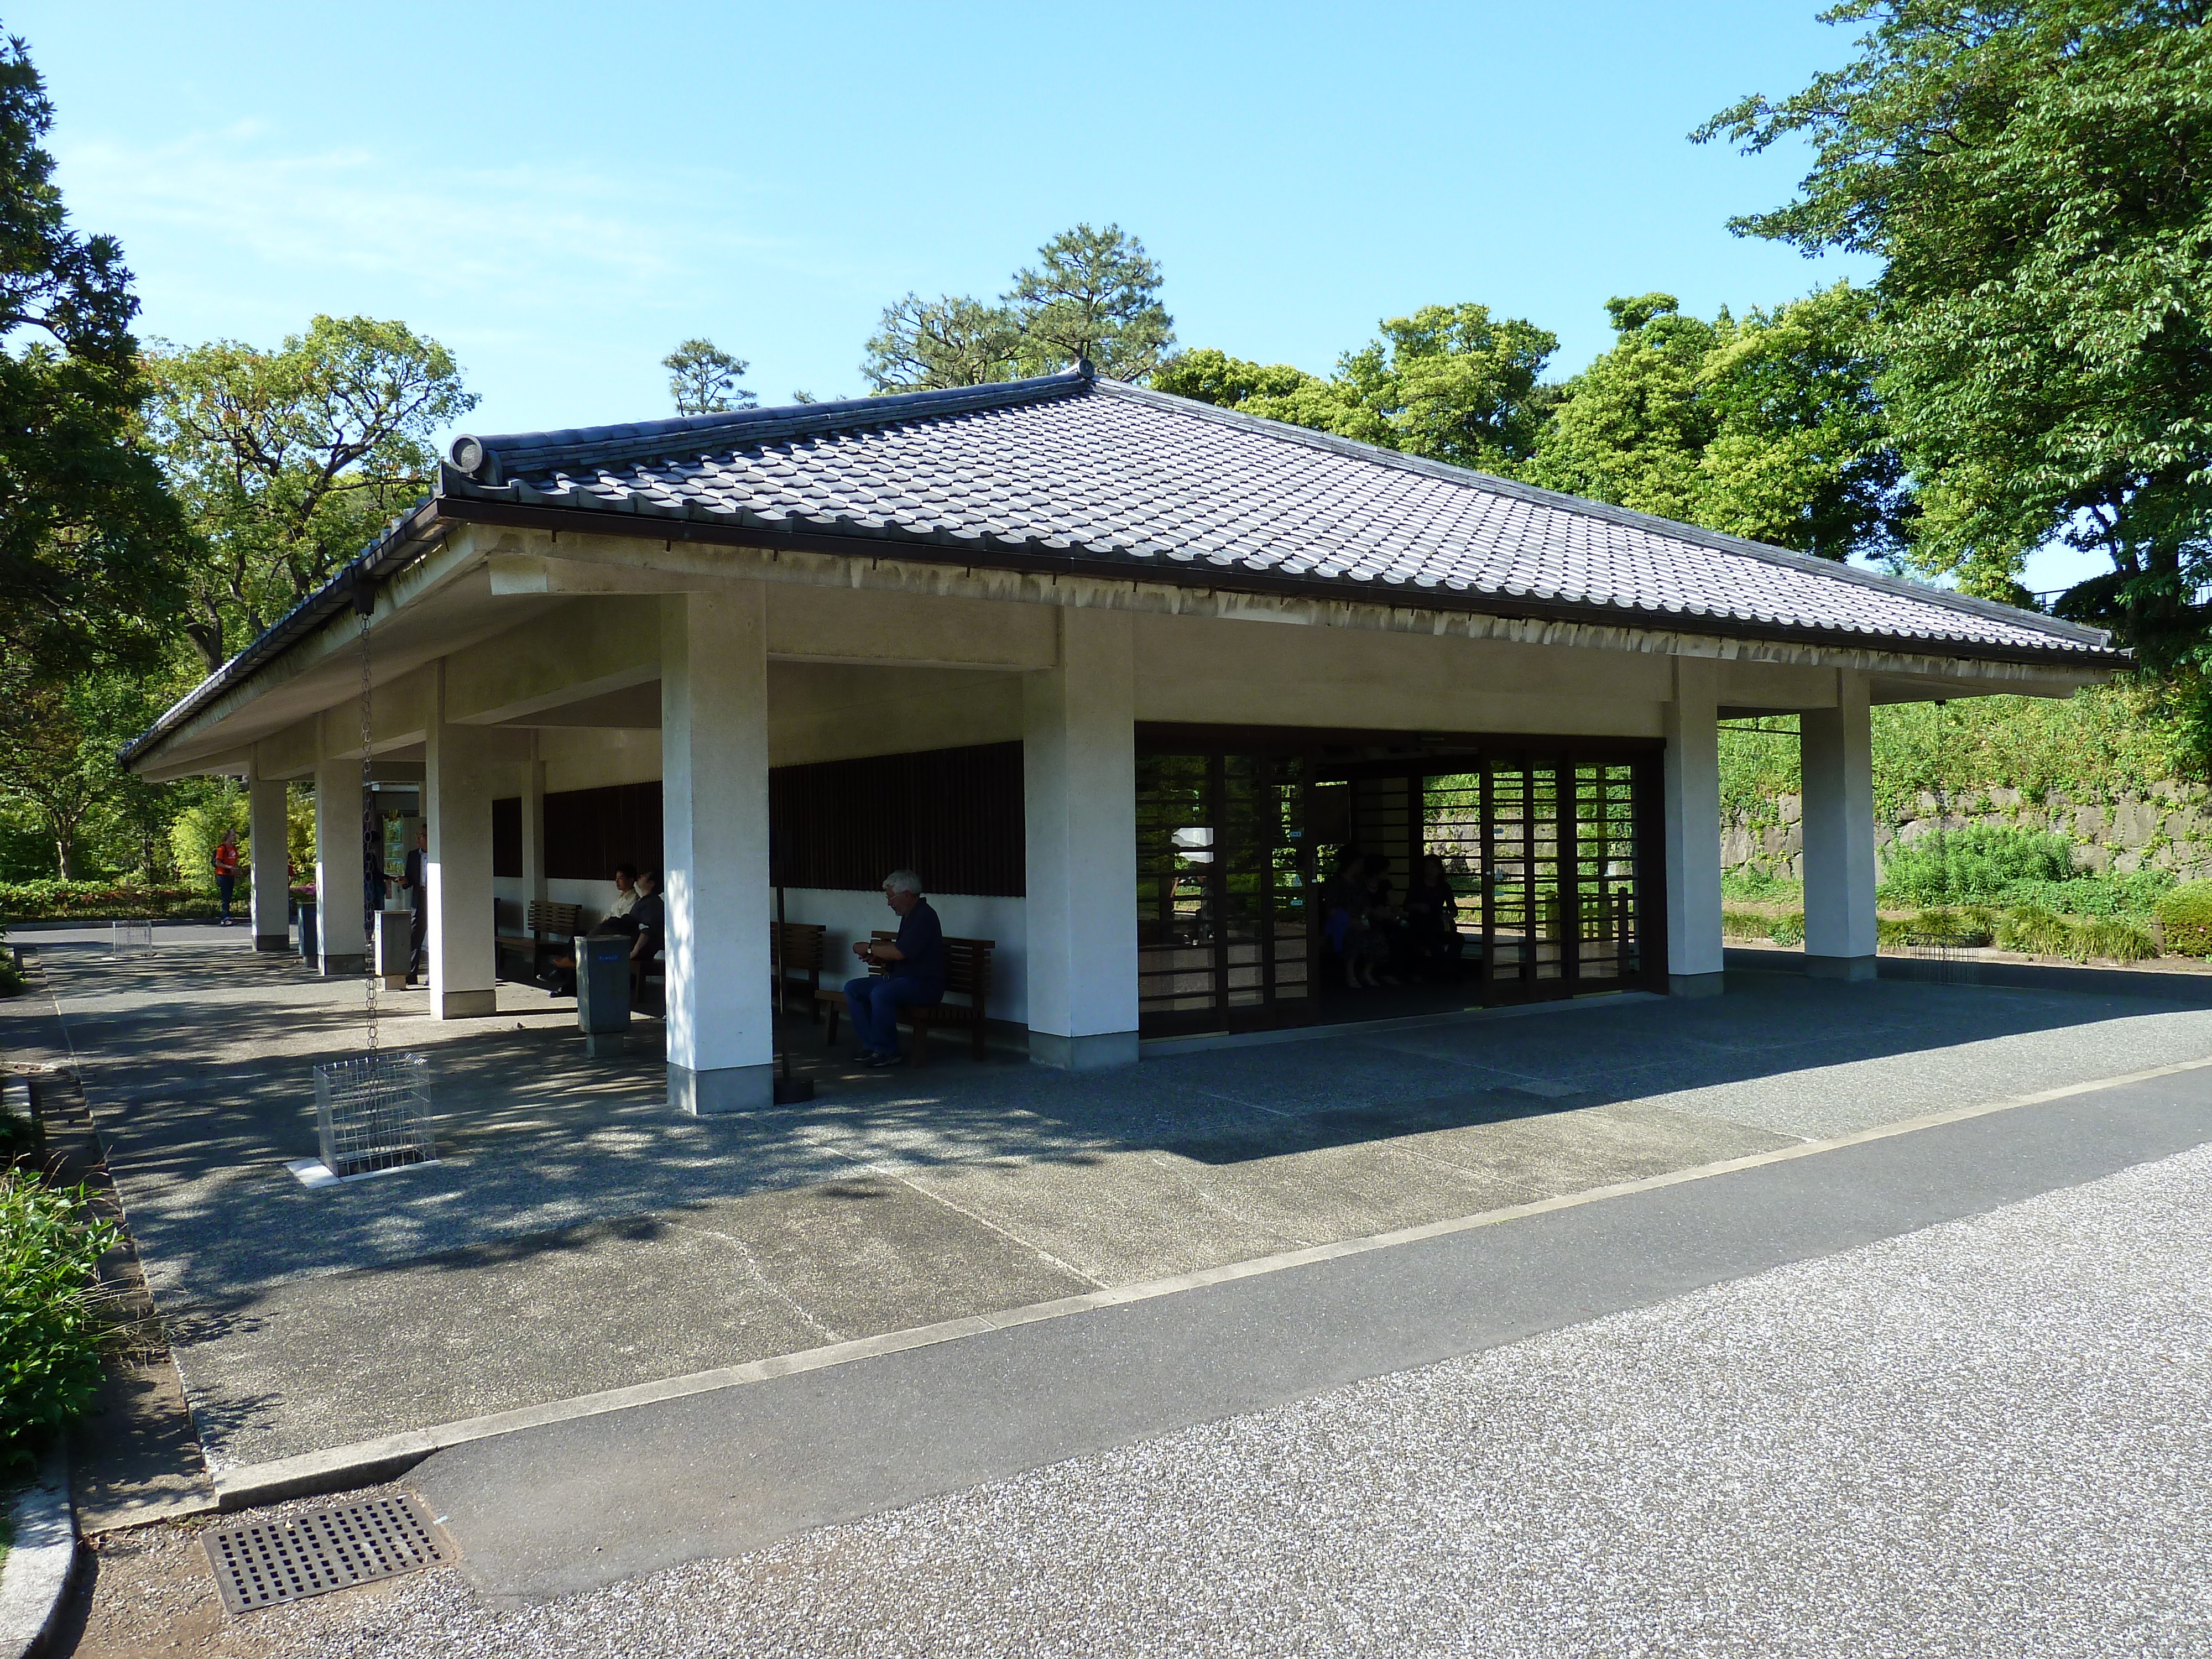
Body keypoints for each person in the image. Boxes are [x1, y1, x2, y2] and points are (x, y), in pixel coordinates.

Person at [843, 870, 945, 1067]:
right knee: (853, 989)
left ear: (906, 894)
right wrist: (880, 960)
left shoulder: (924, 916)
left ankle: (887, 1051)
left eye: (890, 897)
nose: (889, 903)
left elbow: (902, 952)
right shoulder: (910, 915)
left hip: (924, 986)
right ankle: (872, 1045)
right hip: (903, 980)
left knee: (881, 993)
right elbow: (908, 955)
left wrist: (871, 948)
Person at [536, 864, 644, 997]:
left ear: (631, 880)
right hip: (606, 934)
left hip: (617, 940)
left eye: (621, 879)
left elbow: (621, 924)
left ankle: (564, 976)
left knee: (583, 948)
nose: (617, 882)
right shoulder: (620, 898)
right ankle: (564, 974)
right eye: (616, 878)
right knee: (578, 937)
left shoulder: (634, 901)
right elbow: (607, 918)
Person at [1403, 853, 1465, 978]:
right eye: (1427, 867)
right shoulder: (1417, 886)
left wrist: (1450, 916)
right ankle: (1445, 973)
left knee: (1458, 939)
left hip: (1438, 925)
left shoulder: (1444, 887)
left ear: (1439, 870)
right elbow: (1406, 906)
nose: (1430, 871)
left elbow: (1453, 908)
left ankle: (1448, 969)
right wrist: (1418, 906)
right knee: (1434, 944)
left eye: (1433, 868)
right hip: (1419, 925)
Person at [628, 871, 666, 1011]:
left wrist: (634, 952)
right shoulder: (644, 901)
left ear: (651, 884)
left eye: (643, 877)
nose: (640, 877)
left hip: (640, 948)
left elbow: (647, 930)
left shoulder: (653, 904)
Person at [401, 824, 428, 987]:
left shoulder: (438, 853)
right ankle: (411, 975)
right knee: (414, 937)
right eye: (418, 835)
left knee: (437, 938)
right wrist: (405, 881)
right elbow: (409, 879)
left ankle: (436, 976)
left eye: (422, 835)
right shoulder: (413, 856)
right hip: (419, 899)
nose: (419, 839)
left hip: (437, 897)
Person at [212, 830, 241, 925]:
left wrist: (236, 870)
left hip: (231, 875)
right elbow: (218, 863)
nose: (235, 837)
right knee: (225, 896)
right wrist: (229, 867)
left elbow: (235, 860)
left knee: (229, 897)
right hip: (223, 875)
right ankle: (225, 918)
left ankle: (228, 917)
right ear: (228, 836)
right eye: (233, 835)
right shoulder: (222, 848)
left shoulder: (234, 848)